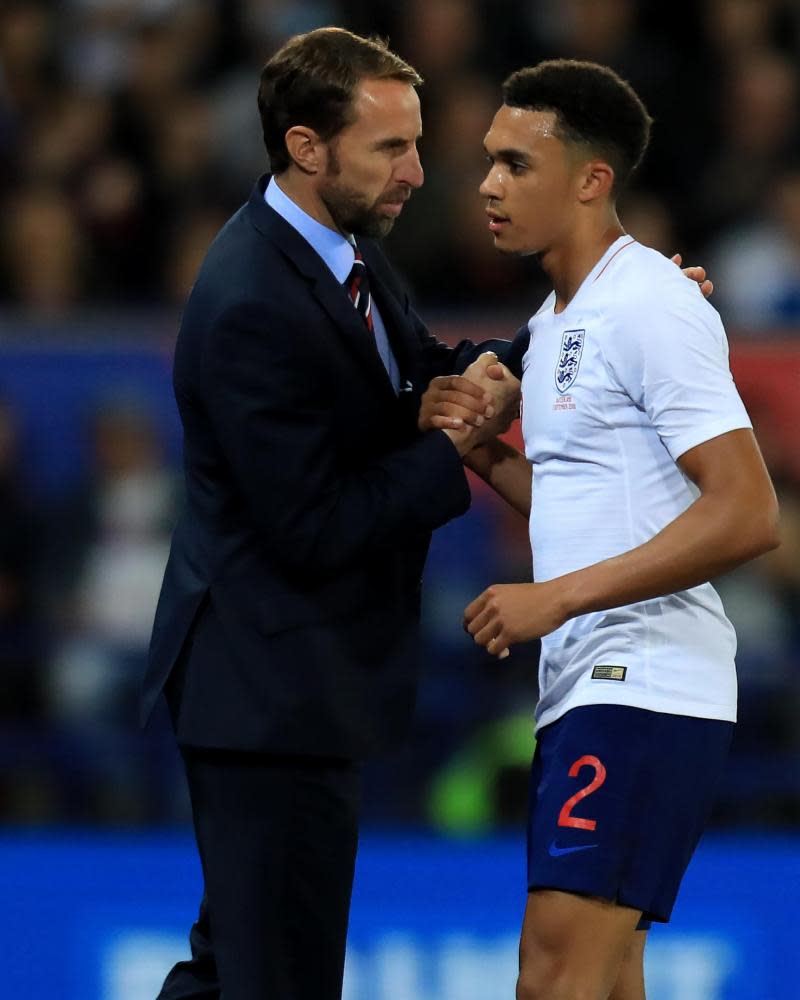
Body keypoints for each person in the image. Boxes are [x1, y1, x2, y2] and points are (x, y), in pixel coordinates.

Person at [141, 27, 521, 1000]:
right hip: (265, 692)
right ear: (306, 147)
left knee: (241, 970)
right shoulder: (253, 301)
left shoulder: (333, 251)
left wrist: (549, 340)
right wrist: (447, 448)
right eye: (389, 148)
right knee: (276, 978)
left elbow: (414, 373)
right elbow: (313, 524)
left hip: (290, 684)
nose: (418, 171)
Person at [431, 60, 779, 999]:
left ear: (592, 180)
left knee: (552, 975)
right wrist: (482, 453)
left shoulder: (652, 302)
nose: (489, 186)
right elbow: (592, 512)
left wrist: (557, 598)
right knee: (607, 979)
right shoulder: (553, 324)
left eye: (515, 163)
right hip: (598, 679)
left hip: (645, 680)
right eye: (488, 163)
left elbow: (749, 513)